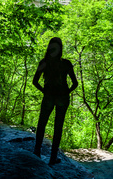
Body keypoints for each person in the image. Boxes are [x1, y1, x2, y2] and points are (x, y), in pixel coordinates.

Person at [32, 37, 78, 166]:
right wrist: (66, 92)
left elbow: (35, 82)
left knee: (42, 123)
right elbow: (75, 83)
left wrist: (44, 91)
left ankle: (37, 152)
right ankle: (53, 157)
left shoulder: (44, 63)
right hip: (62, 98)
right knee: (58, 127)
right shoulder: (66, 64)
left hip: (48, 96)